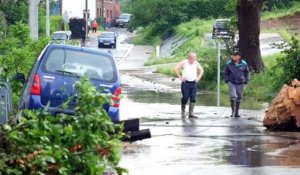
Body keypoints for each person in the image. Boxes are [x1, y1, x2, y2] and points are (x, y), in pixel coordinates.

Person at [174, 52, 204, 118]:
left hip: (193, 83)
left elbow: (201, 70)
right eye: (193, 57)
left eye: (195, 57)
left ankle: (191, 113)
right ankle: (183, 112)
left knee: (193, 98)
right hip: (185, 83)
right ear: (189, 58)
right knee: (185, 97)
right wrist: (180, 77)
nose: (194, 59)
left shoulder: (196, 63)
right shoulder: (184, 62)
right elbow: (176, 68)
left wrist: (198, 78)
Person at [224, 51, 249, 118]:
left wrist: (246, 80)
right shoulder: (229, 63)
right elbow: (226, 72)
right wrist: (227, 80)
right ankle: (233, 111)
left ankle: (237, 113)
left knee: (239, 97)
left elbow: (246, 73)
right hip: (231, 82)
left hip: (241, 82)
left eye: (235, 56)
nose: (233, 57)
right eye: (233, 56)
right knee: (233, 96)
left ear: (238, 57)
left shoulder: (244, 63)